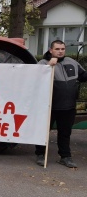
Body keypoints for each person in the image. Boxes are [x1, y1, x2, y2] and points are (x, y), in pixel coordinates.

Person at [35, 40, 87, 168]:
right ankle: (41, 154)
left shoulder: (72, 62)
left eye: (62, 49)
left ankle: (65, 157)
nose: (60, 51)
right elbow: (36, 79)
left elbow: (83, 76)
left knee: (65, 133)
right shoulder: (42, 63)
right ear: (50, 50)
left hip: (68, 106)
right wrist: (49, 65)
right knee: (44, 131)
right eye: (57, 49)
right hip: (49, 105)